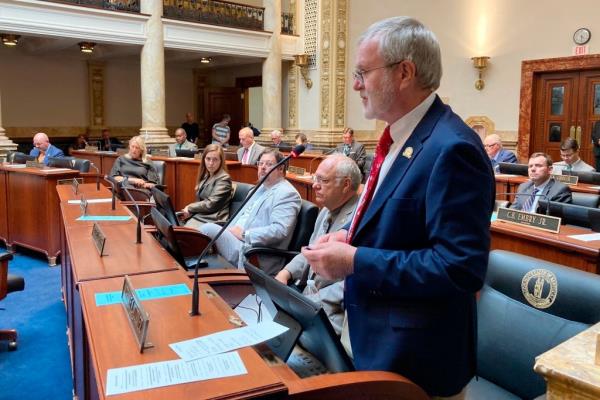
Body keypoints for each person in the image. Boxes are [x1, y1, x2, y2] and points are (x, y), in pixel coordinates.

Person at [301, 17, 495, 398]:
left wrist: (355, 259)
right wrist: (349, 235)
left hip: (416, 365)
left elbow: (459, 269)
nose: (356, 84)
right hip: (373, 341)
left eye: (362, 73)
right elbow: (397, 226)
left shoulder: (453, 148)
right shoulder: (399, 136)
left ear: (404, 72)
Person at [275, 154, 361, 335]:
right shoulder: (324, 211)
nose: (315, 185)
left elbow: (357, 279)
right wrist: (286, 272)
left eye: (323, 180)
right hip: (307, 302)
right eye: (315, 178)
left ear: (346, 185)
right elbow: (310, 250)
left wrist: (315, 300)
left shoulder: (360, 220)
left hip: (334, 316)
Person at [200, 149, 301, 276]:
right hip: (237, 240)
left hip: (252, 252)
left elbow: (280, 230)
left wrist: (244, 234)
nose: (263, 167)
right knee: (199, 234)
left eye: (268, 164)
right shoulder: (258, 188)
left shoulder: (287, 193)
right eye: (260, 163)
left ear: (280, 169)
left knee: (206, 229)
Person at [178, 144, 233, 229]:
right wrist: (190, 212)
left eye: (215, 160)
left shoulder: (224, 178)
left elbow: (211, 204)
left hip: (213, 220)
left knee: (181, 234)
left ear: (221, 161)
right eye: (208, 159)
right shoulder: (206, 175)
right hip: (202, 216)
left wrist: (190, 207)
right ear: (204, 159)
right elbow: (201, 201)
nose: (211, 163)